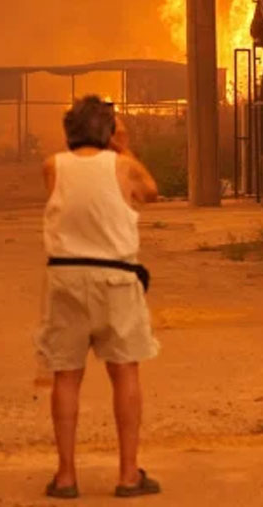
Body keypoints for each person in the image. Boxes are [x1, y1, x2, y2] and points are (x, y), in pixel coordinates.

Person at [36, 96, 162, 499]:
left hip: (66, 277)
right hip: (115, 279)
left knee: (66, 376)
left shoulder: (53, 166)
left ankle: (66, 476)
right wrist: (122, 145)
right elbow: (150, 192)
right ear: (109, 131)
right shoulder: (122, 164)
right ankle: (128, 475)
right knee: (124, 372)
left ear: (69, 131)